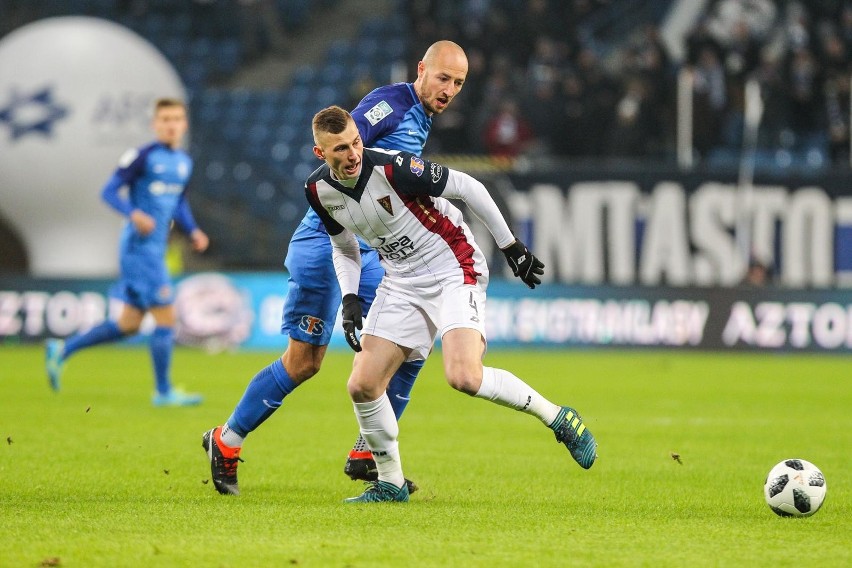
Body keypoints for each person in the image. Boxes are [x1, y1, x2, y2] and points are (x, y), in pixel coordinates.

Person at [202, 40, 469, 496]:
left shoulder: (421, 118)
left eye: (458, 83)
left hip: (369, 250)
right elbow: (343, 140)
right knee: (305, 362)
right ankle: (226, 441)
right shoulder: (391, 105)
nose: (448, 90)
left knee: (414, 341)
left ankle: (369, 452)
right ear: (421, 69)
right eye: (442, 78)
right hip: (324, 242)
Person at [306, 106, 597, 503]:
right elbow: (344, 247)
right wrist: (351, 296)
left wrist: (510, 245)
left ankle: (560, 418)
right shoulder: (319, 190)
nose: (354, 153)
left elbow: (468, 186)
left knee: (463, 376)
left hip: (452, 266)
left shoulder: (394, 168)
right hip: (402, 280)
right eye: (341, 149)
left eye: (356, 142)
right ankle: (391, 484)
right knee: (362, 384)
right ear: (320, 154)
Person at [45, 98, 208, 407]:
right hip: (138, 248)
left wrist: (194, 230)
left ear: (184, 124)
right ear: (155, 124)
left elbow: (179, 203)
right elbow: (108, 191)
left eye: (176, 119)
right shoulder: (142, 157)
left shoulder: (184, 162)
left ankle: (62, 350)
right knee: (166, 316)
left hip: (155, 248)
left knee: (130, 324)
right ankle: (163, 392)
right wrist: (133, 213)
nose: (171, 124)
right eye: (165, 119)